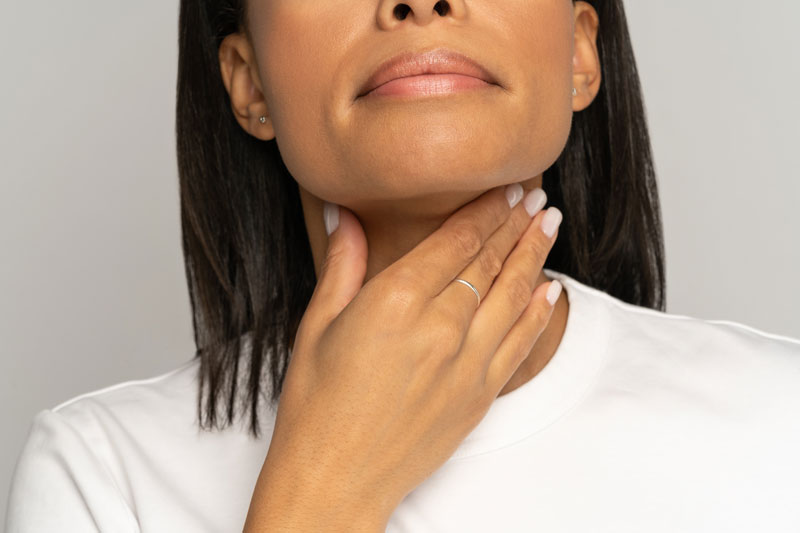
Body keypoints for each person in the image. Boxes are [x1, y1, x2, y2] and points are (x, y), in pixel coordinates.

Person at [6, 0, 800, 531]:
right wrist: (321, 492)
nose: (416, 1)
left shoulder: (781, 423)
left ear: (580, 49)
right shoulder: (98, 478)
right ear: (249, 83)